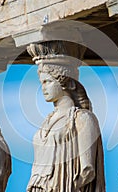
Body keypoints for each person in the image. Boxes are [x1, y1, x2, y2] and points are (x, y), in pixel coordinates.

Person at [27, 62, 105, 192]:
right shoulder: (46, 122)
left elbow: (88, 170)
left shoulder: (81, 118)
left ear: (67, 84)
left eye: (48, 81)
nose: (43, 88)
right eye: (42, 83)